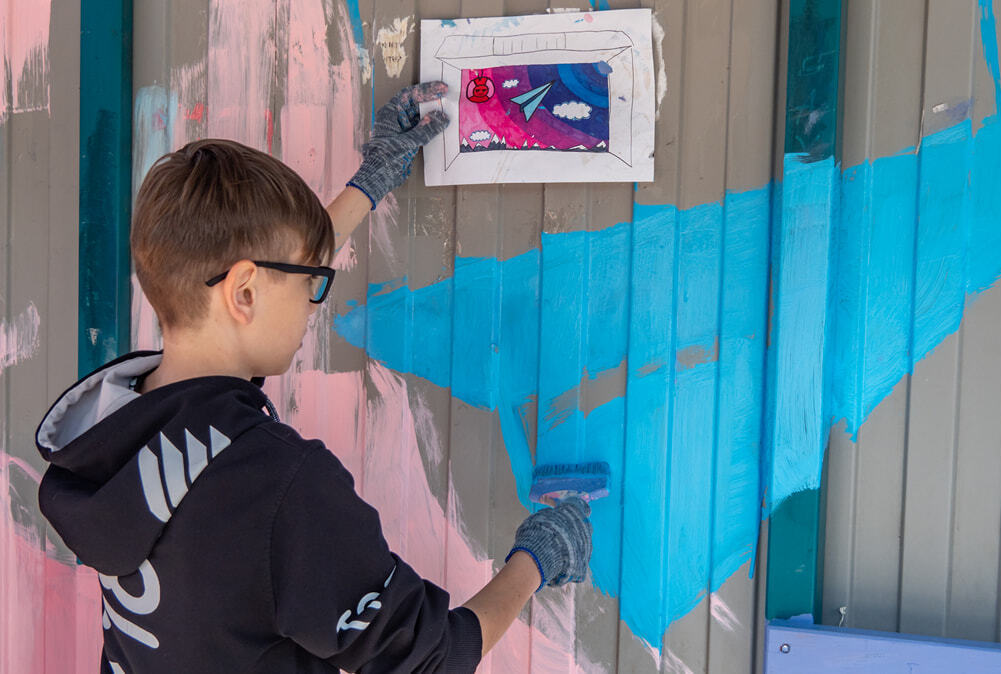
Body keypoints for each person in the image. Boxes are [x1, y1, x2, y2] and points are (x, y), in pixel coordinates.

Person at [34, 82, 593, 673]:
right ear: (243, 292)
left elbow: (251, 313)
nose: (312, 304)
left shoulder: (122, 433)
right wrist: (539, 556)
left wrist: (369, 182)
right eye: (310, 287)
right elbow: (428, 659)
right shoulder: (279, 485)